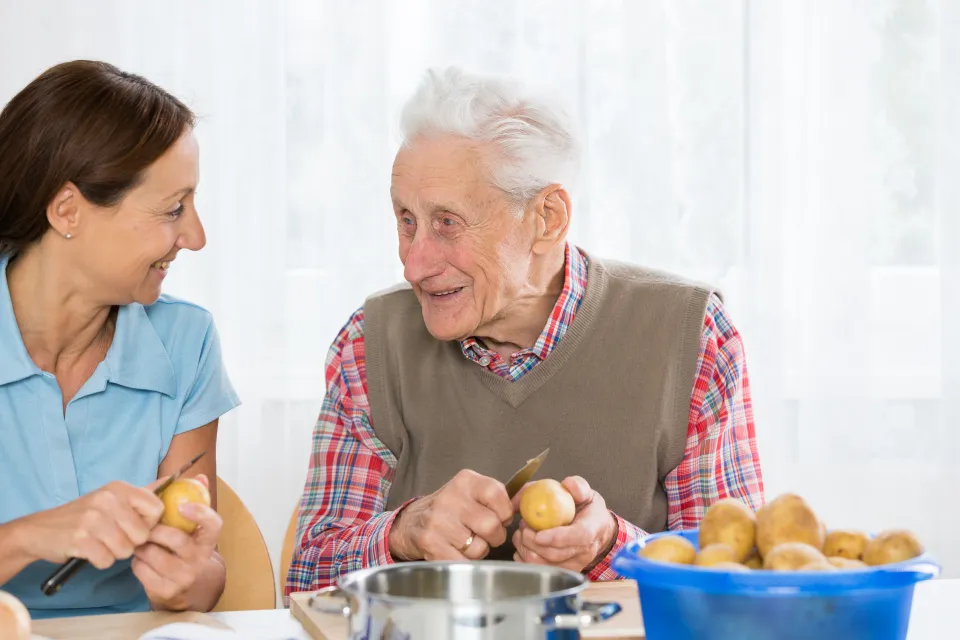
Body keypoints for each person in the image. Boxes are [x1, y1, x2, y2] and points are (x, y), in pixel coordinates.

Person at [286, 67, 764, 596]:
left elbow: (733, 582)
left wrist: (610, 547)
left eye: (447, 222)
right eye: (406, 220)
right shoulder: (367, 345)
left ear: (547, 217)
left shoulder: (692, 337)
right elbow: (307, 581)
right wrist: (402, 532)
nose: (414, 264)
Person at [0, 61, 240, 619]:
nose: (195, 237)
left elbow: (206, 576)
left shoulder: (187, 340)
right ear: (67, 211)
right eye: (173, 209)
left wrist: (183, 579)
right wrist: (26, 537)